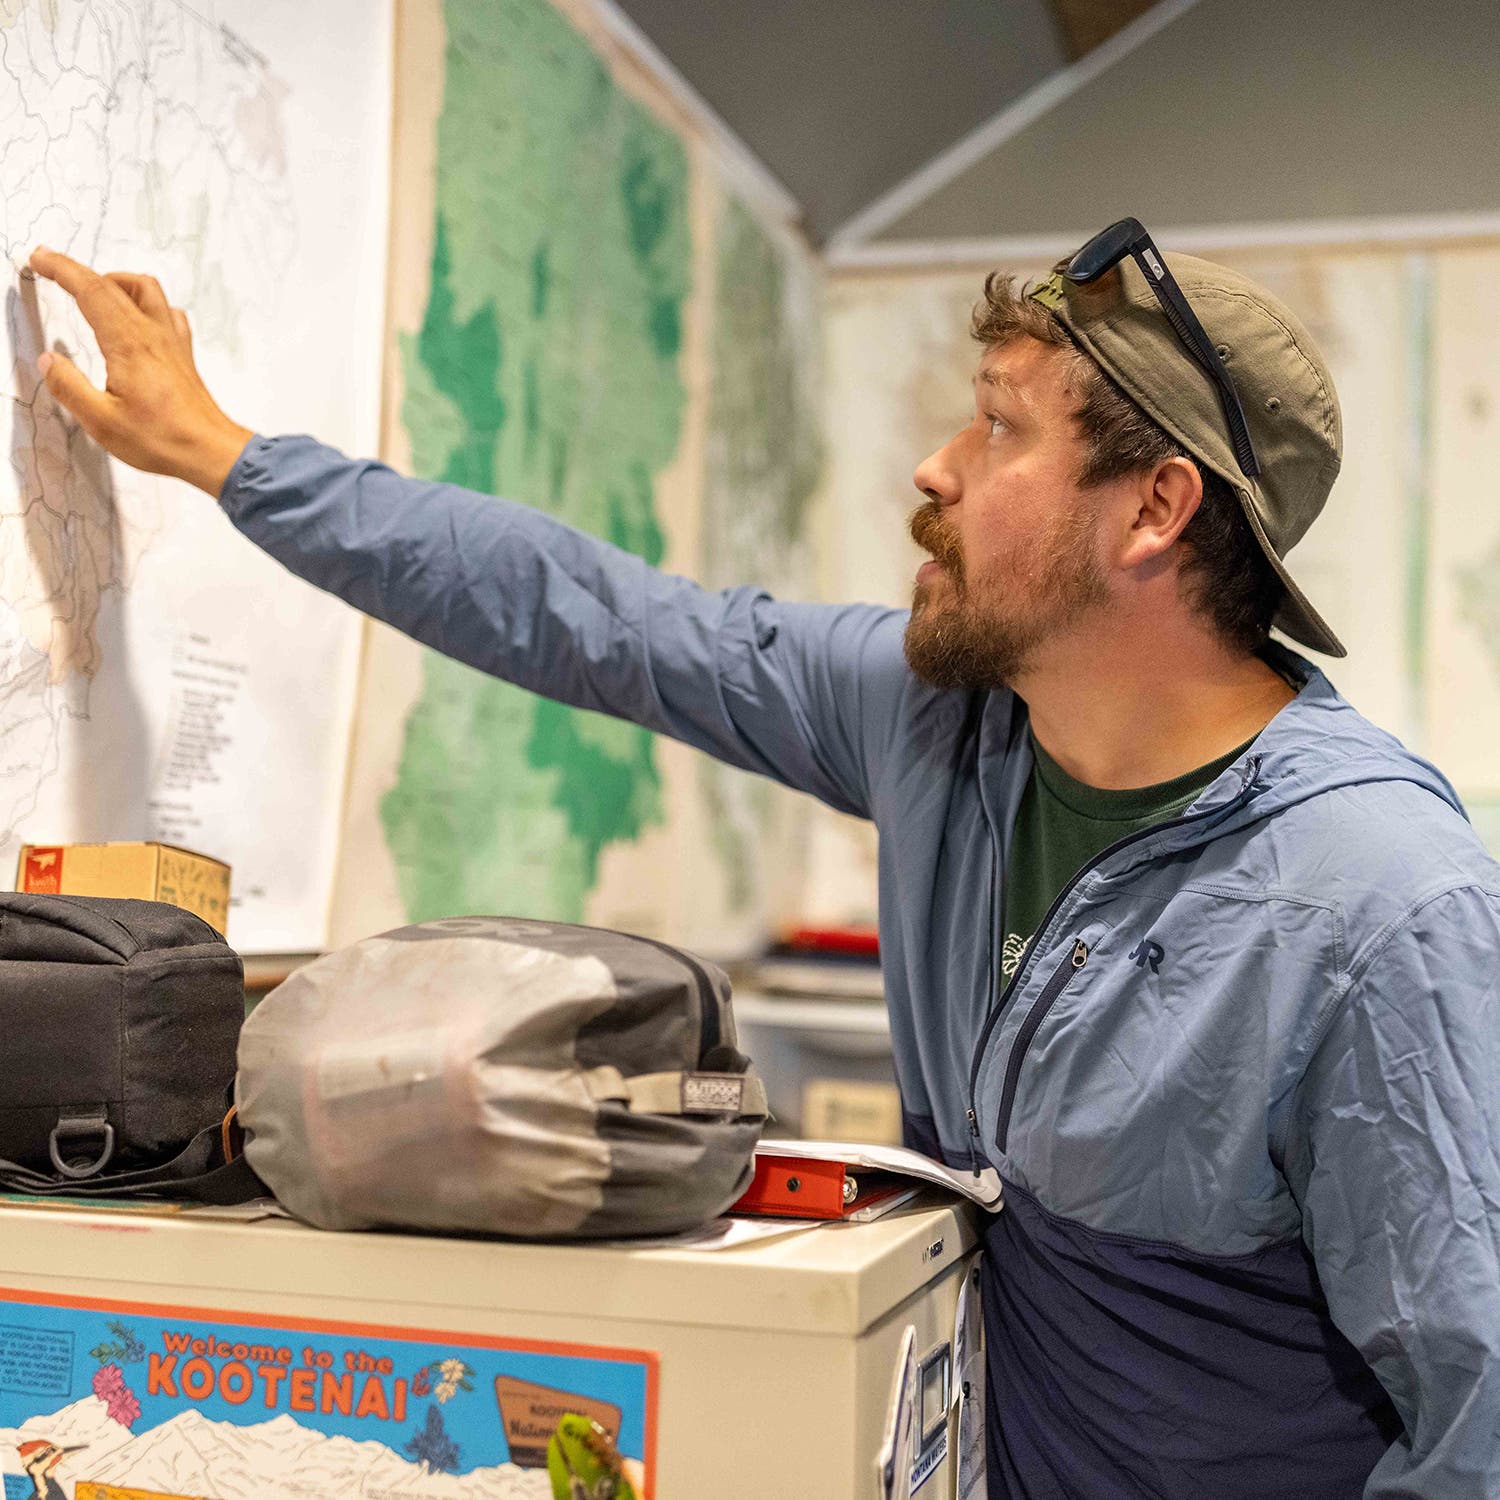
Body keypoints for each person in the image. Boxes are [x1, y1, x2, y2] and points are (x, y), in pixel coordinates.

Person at [24, 223, 1500, 1498]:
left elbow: (1478, 1407)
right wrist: (229, 459)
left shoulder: (1379, 902)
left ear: (1155, 511)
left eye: (999, 428)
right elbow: (593, 614)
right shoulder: (942, 724)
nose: (935, 466)